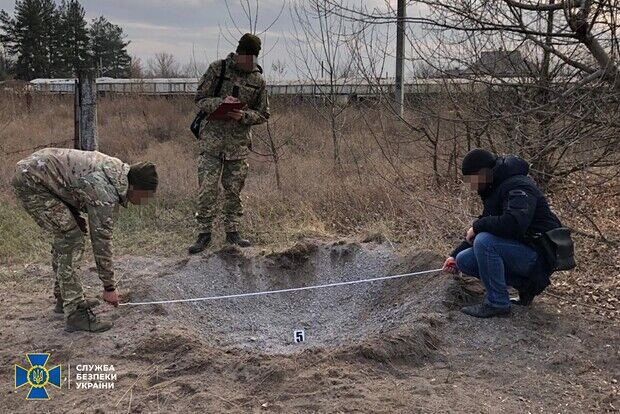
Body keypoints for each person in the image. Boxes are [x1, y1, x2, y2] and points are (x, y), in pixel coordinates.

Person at [11, 148, 158, 332]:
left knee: (68, 234)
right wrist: (109, 287)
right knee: (71, 239)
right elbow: (101, 241)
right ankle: (75, 314)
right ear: (135, 187)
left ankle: (64, 297)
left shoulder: (114, 171)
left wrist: (71, 211)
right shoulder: (106, 190)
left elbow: (69, 183)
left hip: (36, 173)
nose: (147, 200)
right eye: (147, 195)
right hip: (32, 181)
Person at [443, 149, 562, 318]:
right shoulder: (495, 188)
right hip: (523, 249)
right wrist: (453, 256)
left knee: (484, 241)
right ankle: (524, 288)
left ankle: (497, 303)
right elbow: (488, 224)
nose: (471, 185)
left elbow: (515, 224)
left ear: (483, 173)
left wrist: (477, 226)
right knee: (464, 259)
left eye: (471, 179)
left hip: (540, 255)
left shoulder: (518, 186)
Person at [189, 33, 270, 254]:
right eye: (246, 57)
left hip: (238, 145)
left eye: (253, 58)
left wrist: (243, 116)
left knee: (234, 191)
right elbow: (200, 98)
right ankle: (203, 234)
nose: (249, 62)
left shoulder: (258, 81)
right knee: (207, 190)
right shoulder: (218, 69)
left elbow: (263, 114)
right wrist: (220, 104)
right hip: (212, 143)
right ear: (239, 53)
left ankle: (233, 231)